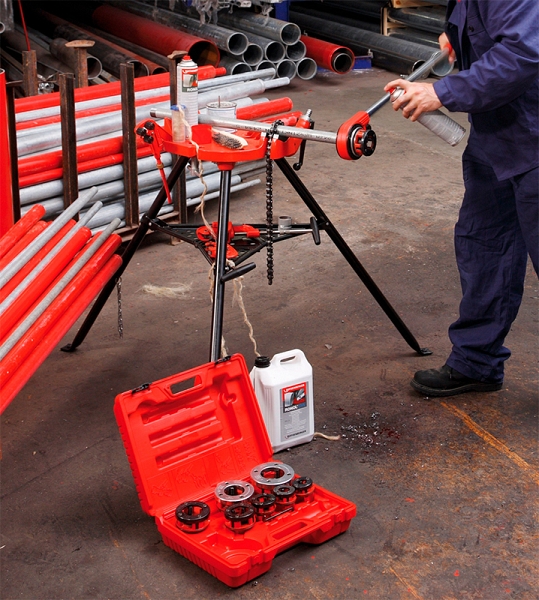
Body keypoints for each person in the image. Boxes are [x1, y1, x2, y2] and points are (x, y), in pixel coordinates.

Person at [384, 0, 539, 397]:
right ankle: (476, 362)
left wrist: (441, 91)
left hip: (534, 135)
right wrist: (456, 36)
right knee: (485, 247)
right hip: (497, 135)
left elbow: (523, 52)